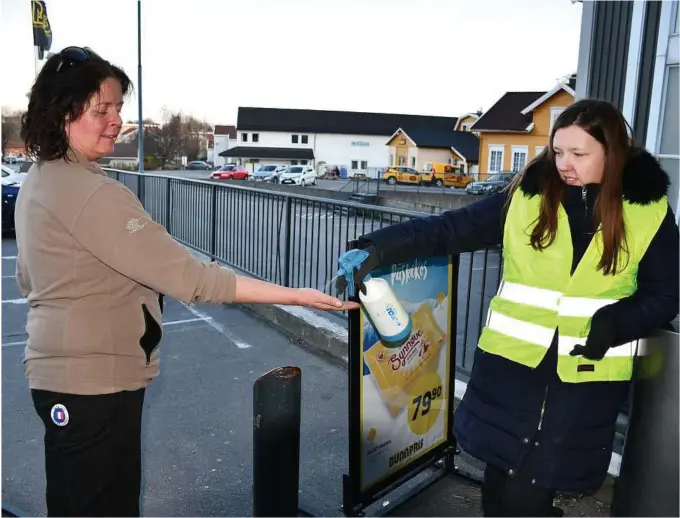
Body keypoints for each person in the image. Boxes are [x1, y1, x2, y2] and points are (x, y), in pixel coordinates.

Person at [15, 46, 358, 517]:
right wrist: (297, 295)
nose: (116, 120)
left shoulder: (39, 178)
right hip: (95, 385)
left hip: (60, 378)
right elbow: (192, 279)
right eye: (102, 109)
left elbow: (27, 278)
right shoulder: (93, 194)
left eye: (118, 108)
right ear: (64, 113)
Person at [337, 99, 679, 516]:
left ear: (613, 152)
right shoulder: (528, 195)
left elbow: (665, 295)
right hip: (511, 375)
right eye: (557, 151)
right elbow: (451, 229)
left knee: (523, 499)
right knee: (499, 493)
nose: (563, 164)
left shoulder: (647, 212)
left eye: (578, 154)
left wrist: (618, 322)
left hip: (580, 386)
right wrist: (378, 247)